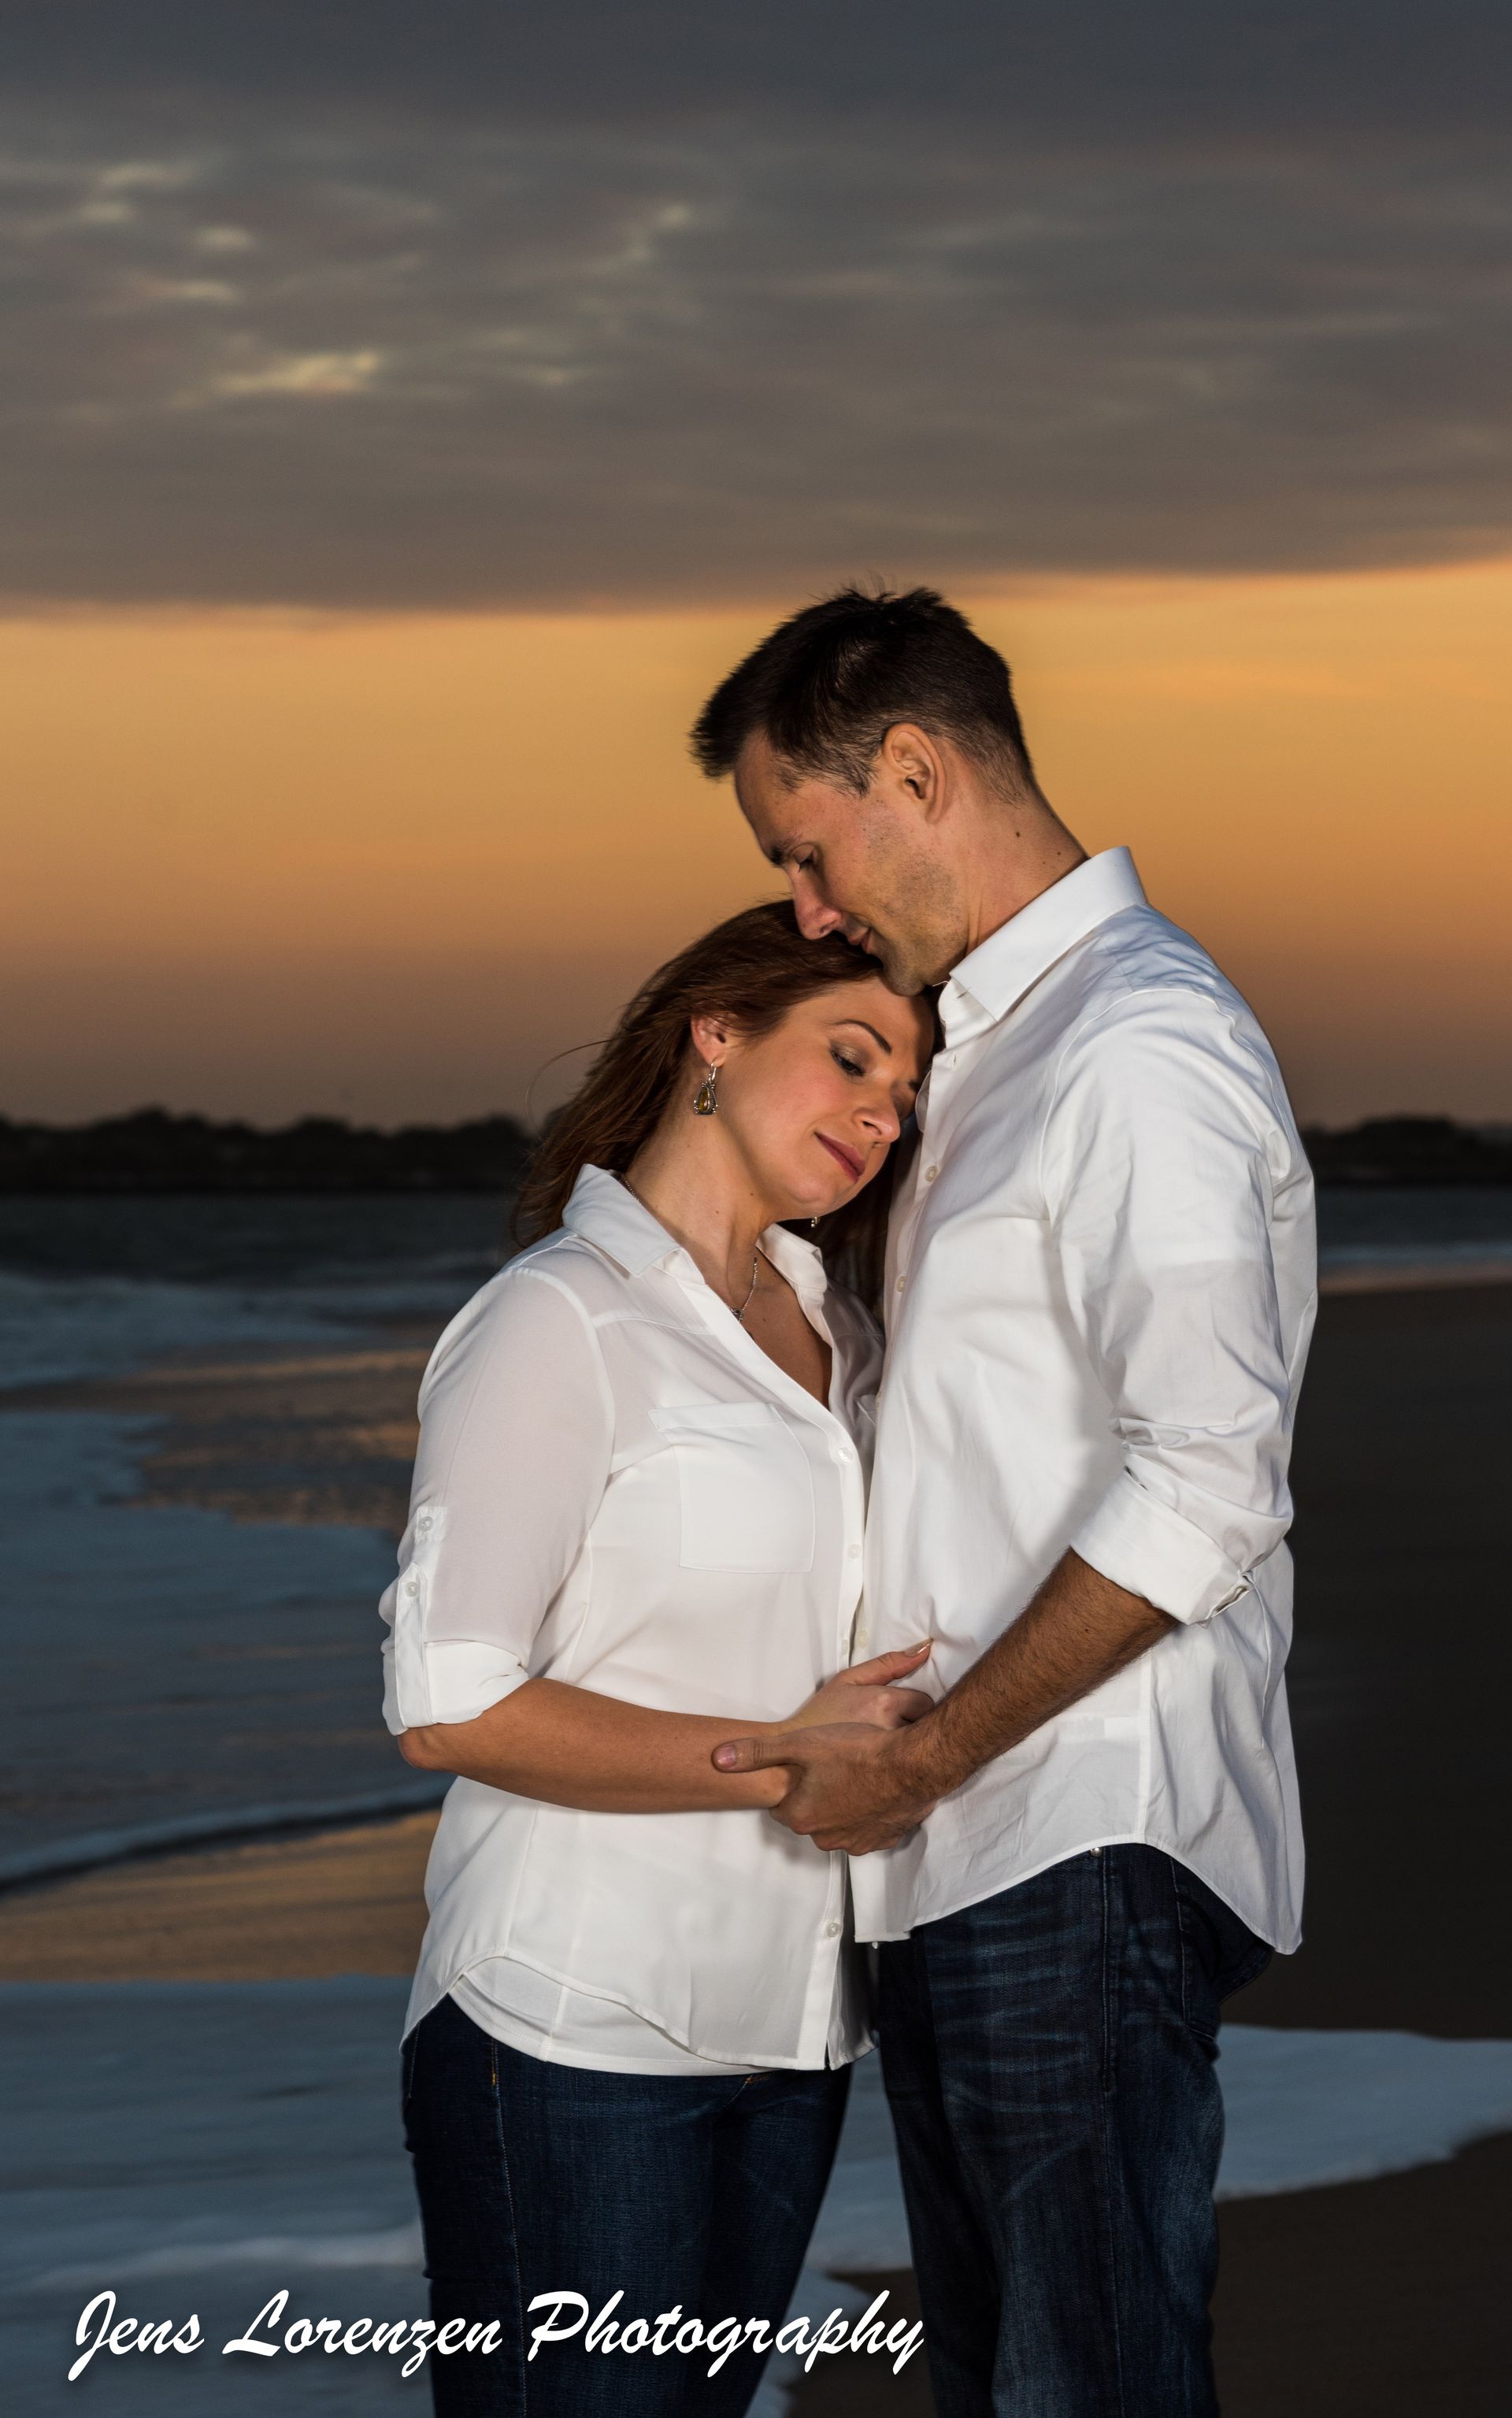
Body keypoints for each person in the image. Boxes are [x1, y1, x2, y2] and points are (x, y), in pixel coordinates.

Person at [693, 588, 1317, 2417]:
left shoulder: (1139, 1042)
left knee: (1084, 2385)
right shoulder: (984, 1054)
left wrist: (930, 1753)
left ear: (913, 767)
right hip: (972, 1843)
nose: (809, 907)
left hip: (1076, 1827)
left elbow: (1210, 1480)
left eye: (807, 849)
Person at [380, 899, 936, 2416]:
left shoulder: (843, 1330)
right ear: (717, 1032)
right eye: (852, 1056)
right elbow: (449, 1702)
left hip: (795, 2025)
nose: (884, 1114)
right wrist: (781, 1761)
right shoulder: (560, 1318)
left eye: (908, 1089)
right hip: (575, 2018)